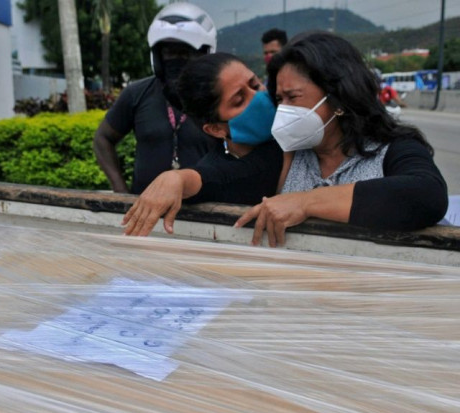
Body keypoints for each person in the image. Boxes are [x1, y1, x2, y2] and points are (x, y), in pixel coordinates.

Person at [235, 31, 448, 246]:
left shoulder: (392, 149)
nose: (283, 110)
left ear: (337, 98)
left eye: (293, 97)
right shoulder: (287, 153)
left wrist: (305, 202)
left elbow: (426, 196)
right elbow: (223, 178)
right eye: (279, 99)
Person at [122, 53, 283, 236]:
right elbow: (217, 178)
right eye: (239, 100)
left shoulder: (297, 134)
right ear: (215, 129)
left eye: (255, 85)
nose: (258, 97)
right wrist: (178, 179)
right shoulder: (220, 167)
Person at [94, 2, 217, 194]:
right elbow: (103, 138)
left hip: (207, 214)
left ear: (203, 53)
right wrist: (121, 191)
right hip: (145, 212)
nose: (176, 58)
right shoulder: (136, 93)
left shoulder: (218, 95)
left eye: (185, 52)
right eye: (169, 52)